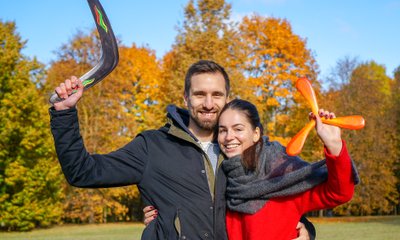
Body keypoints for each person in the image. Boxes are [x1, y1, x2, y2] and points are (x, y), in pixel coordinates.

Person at [50, 60, 314, 239]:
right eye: (200, 95)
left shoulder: (245, 149)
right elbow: (83, 172)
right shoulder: (151, 147)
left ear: (227, 98)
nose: (209, 104)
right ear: (186, 98)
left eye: (217, 95)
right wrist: (64, 114)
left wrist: (307, 230)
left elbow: (278, 201)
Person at [217, 99, 358, 240]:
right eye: (222, 130)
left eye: (238, 129)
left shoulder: (281, 170)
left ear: (256, 133)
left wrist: (333, 144)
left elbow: (339, 193)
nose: (229, 137)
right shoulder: (220, 175)